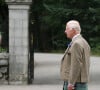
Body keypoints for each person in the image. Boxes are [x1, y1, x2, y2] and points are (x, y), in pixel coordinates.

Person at [60, 20, 90, 90]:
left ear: (73, 30)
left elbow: (76, 64)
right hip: (79, 82)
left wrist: (71, 83)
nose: (65, 31)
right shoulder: (83, 42)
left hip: (75, 84)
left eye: (67, 29)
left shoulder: (76, 43)